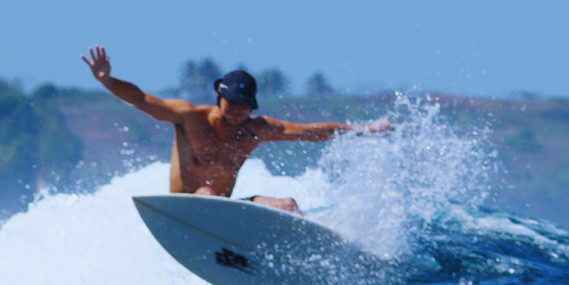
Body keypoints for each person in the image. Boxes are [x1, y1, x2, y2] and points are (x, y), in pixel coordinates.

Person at [82, 45, 389, 214]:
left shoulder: (255, 129)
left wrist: (364, 130)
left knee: (288, 206)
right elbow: (141, 99)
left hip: (225, 213)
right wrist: (106, 80)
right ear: (220, 97)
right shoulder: (190, 118)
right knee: (206, 193)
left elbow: (309, 131)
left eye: (244, 105)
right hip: (185, 209)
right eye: (231, 103)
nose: (237, 109)